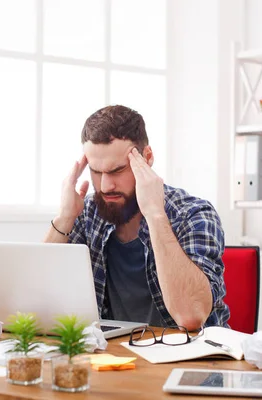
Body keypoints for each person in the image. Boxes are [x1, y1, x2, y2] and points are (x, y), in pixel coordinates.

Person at [44, 105, 229, 331]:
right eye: (96, 171)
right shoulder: (88, 213)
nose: (105, 185)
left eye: (117, 170)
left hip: (188, 355)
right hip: (114, 355)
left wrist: (155, 214)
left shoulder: (193, 214)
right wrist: (64, 218)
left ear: (147, 157)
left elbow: (190, 318)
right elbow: (34, 300)